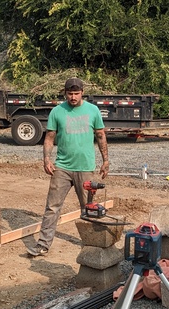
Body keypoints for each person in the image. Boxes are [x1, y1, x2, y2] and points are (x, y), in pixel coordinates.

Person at [27, 77, 109, 257]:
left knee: (88, 208)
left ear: (82, 93)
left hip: (85, 167)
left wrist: (105, 160)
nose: (73, 97)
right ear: (65, 93)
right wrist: (47, 159)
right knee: (52, 207)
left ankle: (90, 247)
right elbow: (49, 137)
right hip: (62, 168)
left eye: (76, 94)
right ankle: (43, 245)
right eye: (70, 94)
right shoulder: (57, 112)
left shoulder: (93, 110)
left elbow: (101, 136)